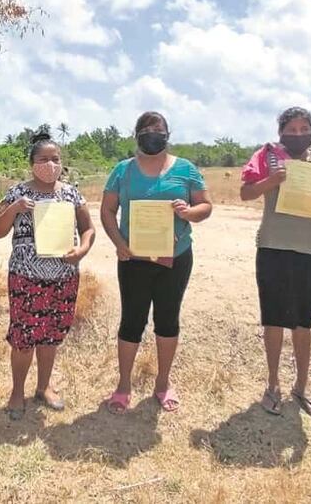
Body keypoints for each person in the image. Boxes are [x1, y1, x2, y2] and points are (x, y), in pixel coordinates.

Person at [100, 112, 213, 413]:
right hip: (132, 258)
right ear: (136, 134)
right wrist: (120, 244)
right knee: (131, 321)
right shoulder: (122, 170)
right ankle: (123, 385)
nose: (153, 133)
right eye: (147, 129)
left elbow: (205, 206)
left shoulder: (186, 169)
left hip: (175, 259)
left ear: (167, 134)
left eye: (158, 129)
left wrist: (188, 212)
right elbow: (107, 210)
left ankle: (163, 383)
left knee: (167, 320)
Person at [239, 107, 311, 417]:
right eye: (292, 129)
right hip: (274, 246)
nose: (298, 134)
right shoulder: (266, 156)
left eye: (304, 129)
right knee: (273, 319)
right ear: (281, 132)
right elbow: (246, 193)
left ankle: (301, 387)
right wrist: (272, 180)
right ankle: (273, 385)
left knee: (303, 322)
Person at [0, 132, 95, 419]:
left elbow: (88, 228)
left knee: (51, 335)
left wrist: (82, 249)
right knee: (24, 337)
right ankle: (16, 392)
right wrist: (15, 208)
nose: (50, 164)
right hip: (26, 277)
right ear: (32, 163)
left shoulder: (71, 194)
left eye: (55, 159)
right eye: (43, 159)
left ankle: (44, 387)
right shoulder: (17, 193)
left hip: (64, 276)